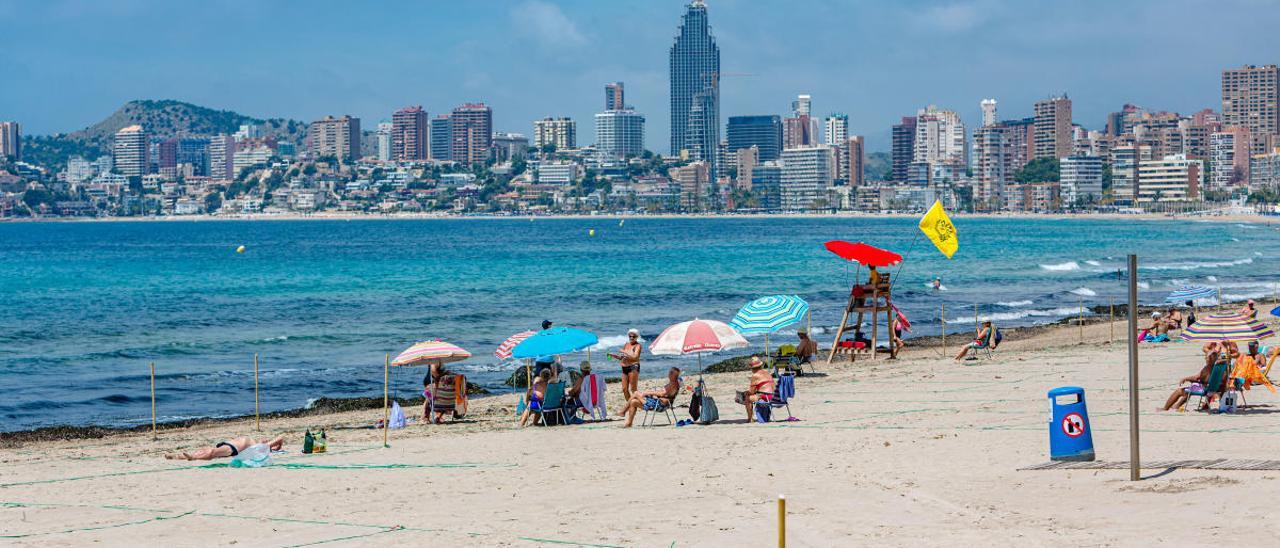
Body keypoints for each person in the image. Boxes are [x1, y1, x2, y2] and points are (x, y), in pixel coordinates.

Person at [166, 434, 285, 460]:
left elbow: (280, 438)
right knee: (206, 450)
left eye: (267, 440)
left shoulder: (258, 446)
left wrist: (275, 446)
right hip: (227, 443)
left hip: (233, 449)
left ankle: (193, 457)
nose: (264, 438)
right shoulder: (254, 442)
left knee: (211, 452)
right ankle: (176, 456)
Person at [608, 328, 643, 404]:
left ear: (637, 337)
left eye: (633, 336)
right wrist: (614, 355)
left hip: (633, 367)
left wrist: (623, 351)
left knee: (633, 389)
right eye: (630, 336)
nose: (631, 338)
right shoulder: (626, 344)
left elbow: (635, 357)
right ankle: (631, 404)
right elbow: (622, 357)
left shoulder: (638, 346)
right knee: (624, 389)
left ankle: (642, 403)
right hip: (624, 368)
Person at [741, 356, 775, 422]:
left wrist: (745, 393)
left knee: (747, 398)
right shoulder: (767, 372)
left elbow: (751, 392)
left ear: (753, 368)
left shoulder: (755, 375)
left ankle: (750, 419)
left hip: (766, 397)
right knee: (751, 396)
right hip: (774, 396)